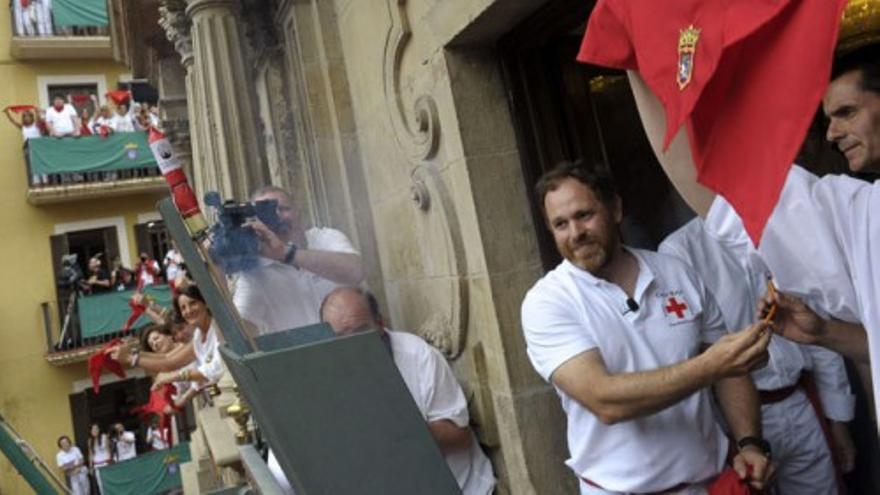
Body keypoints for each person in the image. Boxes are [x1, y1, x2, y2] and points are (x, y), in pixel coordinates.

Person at [627, 49, 880, 413]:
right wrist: (824, 334)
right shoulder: (863, 213)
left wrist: (636, 49)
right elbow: (729, 199)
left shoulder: (864, 211)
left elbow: (727, 196)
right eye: (829, 119)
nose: (832, 134)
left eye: (848, 112)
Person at [519, 162, 773, 494]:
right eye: (560, 224)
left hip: (708, 484)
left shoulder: (676, 272)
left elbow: (730, 370)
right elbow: (605, 400)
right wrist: (709, 366)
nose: (575, 233)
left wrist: (749, 442)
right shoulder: (548, 302)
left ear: (616, 208)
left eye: (584, 215)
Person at [659, 217, 856, 493]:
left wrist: (838, 418)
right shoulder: (681, 250)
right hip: (739, 425)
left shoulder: (781, 226)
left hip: (801, 404)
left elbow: (816, 327)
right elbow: (688, 352)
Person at [303, 286, 494, 495]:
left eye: (360, 332)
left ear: (380, 323)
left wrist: (396, 429)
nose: (352, 346)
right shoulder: (322, 375)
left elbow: (459, 436)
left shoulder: (418, 356)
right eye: (340, 338)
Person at [232, 185, 364, 335]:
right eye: (266, 212)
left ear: (298, 212)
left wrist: (285, 253)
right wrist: (215, 275)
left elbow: (356, 271)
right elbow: (238, 338)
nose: (277, 216)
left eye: (284, 208)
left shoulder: (326, 238)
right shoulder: (255, 275)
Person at [87, 423, 111, 492]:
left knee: (108, 481)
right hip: (97, 464)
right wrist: (90, 467)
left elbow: (108, 449)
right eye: (93, 429)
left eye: (96, 429)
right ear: (90, 431)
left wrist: (110, 461)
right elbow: (90, 454)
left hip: (106, 462)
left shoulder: (104, 436)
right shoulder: (90, 441)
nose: (95, 430)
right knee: (100, 484)